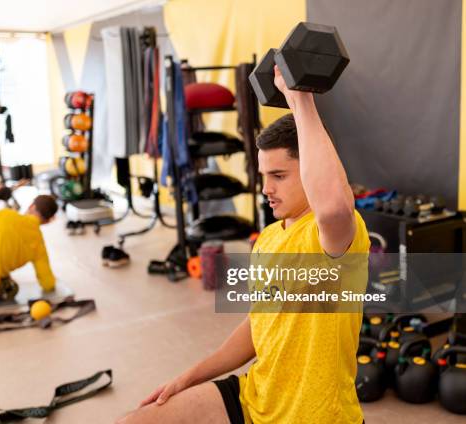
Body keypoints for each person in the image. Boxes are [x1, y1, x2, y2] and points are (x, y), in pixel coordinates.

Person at [116, 66, 370, 423]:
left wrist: (300, 98)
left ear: (310, 169)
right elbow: (258, 326)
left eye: (279, 176)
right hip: (256, 397)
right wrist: (188, 378)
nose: (266, 189)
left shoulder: (333, 235)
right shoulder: (268, 237)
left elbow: (333, 205)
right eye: (264, 176)